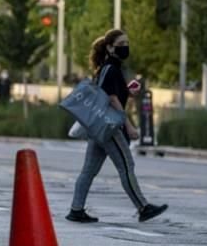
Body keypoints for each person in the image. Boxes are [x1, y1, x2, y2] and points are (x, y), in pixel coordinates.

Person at [66, 29, 167, 224]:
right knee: (126, 165)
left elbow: (111, 93)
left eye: (127, 43)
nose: (125, 47)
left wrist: (127, 91)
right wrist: (128, 125)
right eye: (121, 44)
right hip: (109, 126)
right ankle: (143, 207)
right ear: (110, 48)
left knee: (88, 170)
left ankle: (76, 209)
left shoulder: (105, 68)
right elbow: (112, 99)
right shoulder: (112, 69)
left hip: (98, 127)